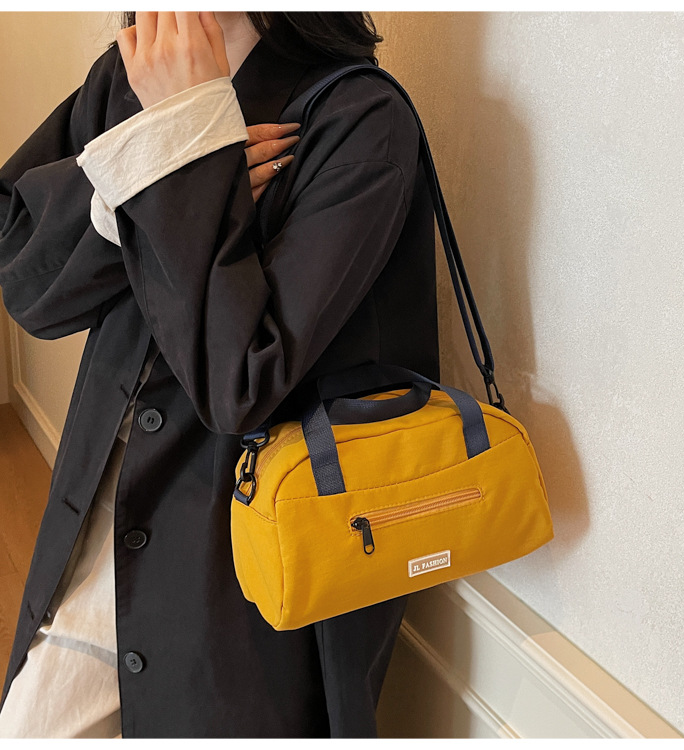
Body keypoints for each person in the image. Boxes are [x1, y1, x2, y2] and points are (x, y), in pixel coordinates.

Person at [0, 10, 440, 738]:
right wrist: (127, 189)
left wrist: (183, 160)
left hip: (231, 576)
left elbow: (241, 383)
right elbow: (26, 278)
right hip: (92, 524)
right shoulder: (125, 75)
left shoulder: (357, 117)